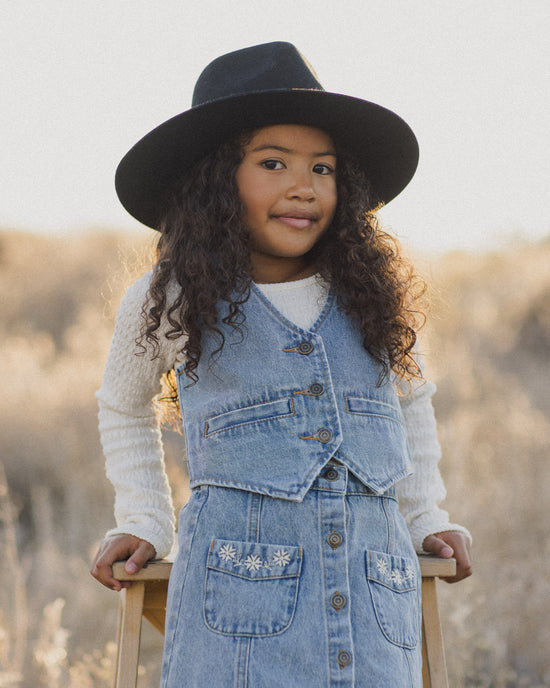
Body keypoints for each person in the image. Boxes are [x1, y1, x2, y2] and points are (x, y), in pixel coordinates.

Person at [91, 42, 472, 687]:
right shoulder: (174, 296)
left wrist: (426, 517)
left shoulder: (370, 294)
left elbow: (409, 404)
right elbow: (123, 407)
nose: (304, 187)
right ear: (215, 179)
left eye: (322, 168)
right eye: (273, 163)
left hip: (374, 603)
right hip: (238, 616)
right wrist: (145, 520)